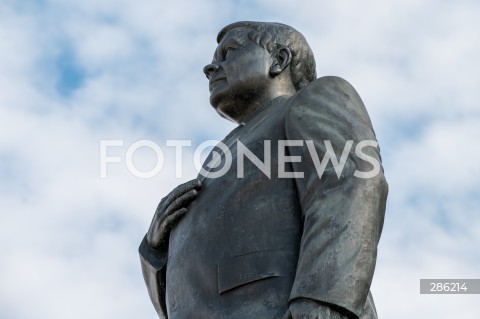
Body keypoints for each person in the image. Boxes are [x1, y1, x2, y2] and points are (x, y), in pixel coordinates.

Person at [139, 21, 388, 319]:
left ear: (278, 60)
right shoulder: (215, 162)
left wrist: (321, 301)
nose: (210, 68)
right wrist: (154, 249)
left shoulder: (312, 100)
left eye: (228, 53)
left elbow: (348, 188)